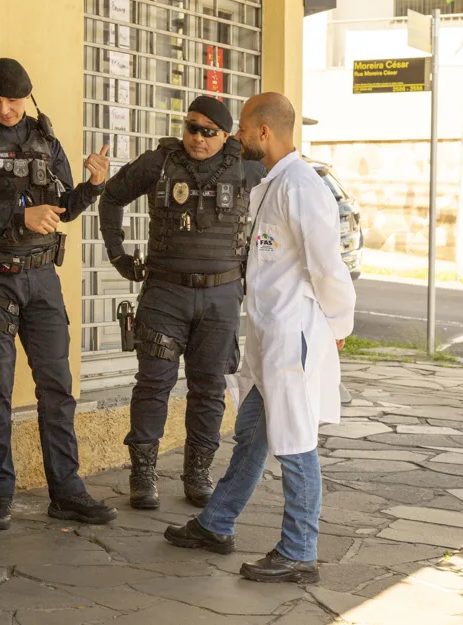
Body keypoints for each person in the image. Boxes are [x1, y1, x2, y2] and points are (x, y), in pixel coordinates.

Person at [163, 93, 357, 585]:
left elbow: (328, 268)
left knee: (296, 445)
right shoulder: (276, 183)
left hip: (293, 339)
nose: (237, 137)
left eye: (244, 130)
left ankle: (299, 552)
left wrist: (337, 328)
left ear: (265, 132)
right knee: (251, 436)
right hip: (269, 339)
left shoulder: (302, 186)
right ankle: (216, 523)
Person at [0, 58, 117, 530]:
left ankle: (67, 490)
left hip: (41, 280)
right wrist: (19, 216)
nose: (3, 109)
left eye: (12, 101)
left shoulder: (45, 139)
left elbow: (63, 209)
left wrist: (93, 187)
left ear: (28, 96)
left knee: (57, 388)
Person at [99, 96, 265, 510]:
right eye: (191, 127)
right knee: (153, 384)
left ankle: (198, 473)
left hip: (221, 298)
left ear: (225, 134)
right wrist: (118, 255)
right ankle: (142, 475)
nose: (197, 137)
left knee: (209, 390)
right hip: (164, 295)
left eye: (208, 131)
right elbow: (112, 197)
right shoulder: (160, 161)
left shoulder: (249, 167)